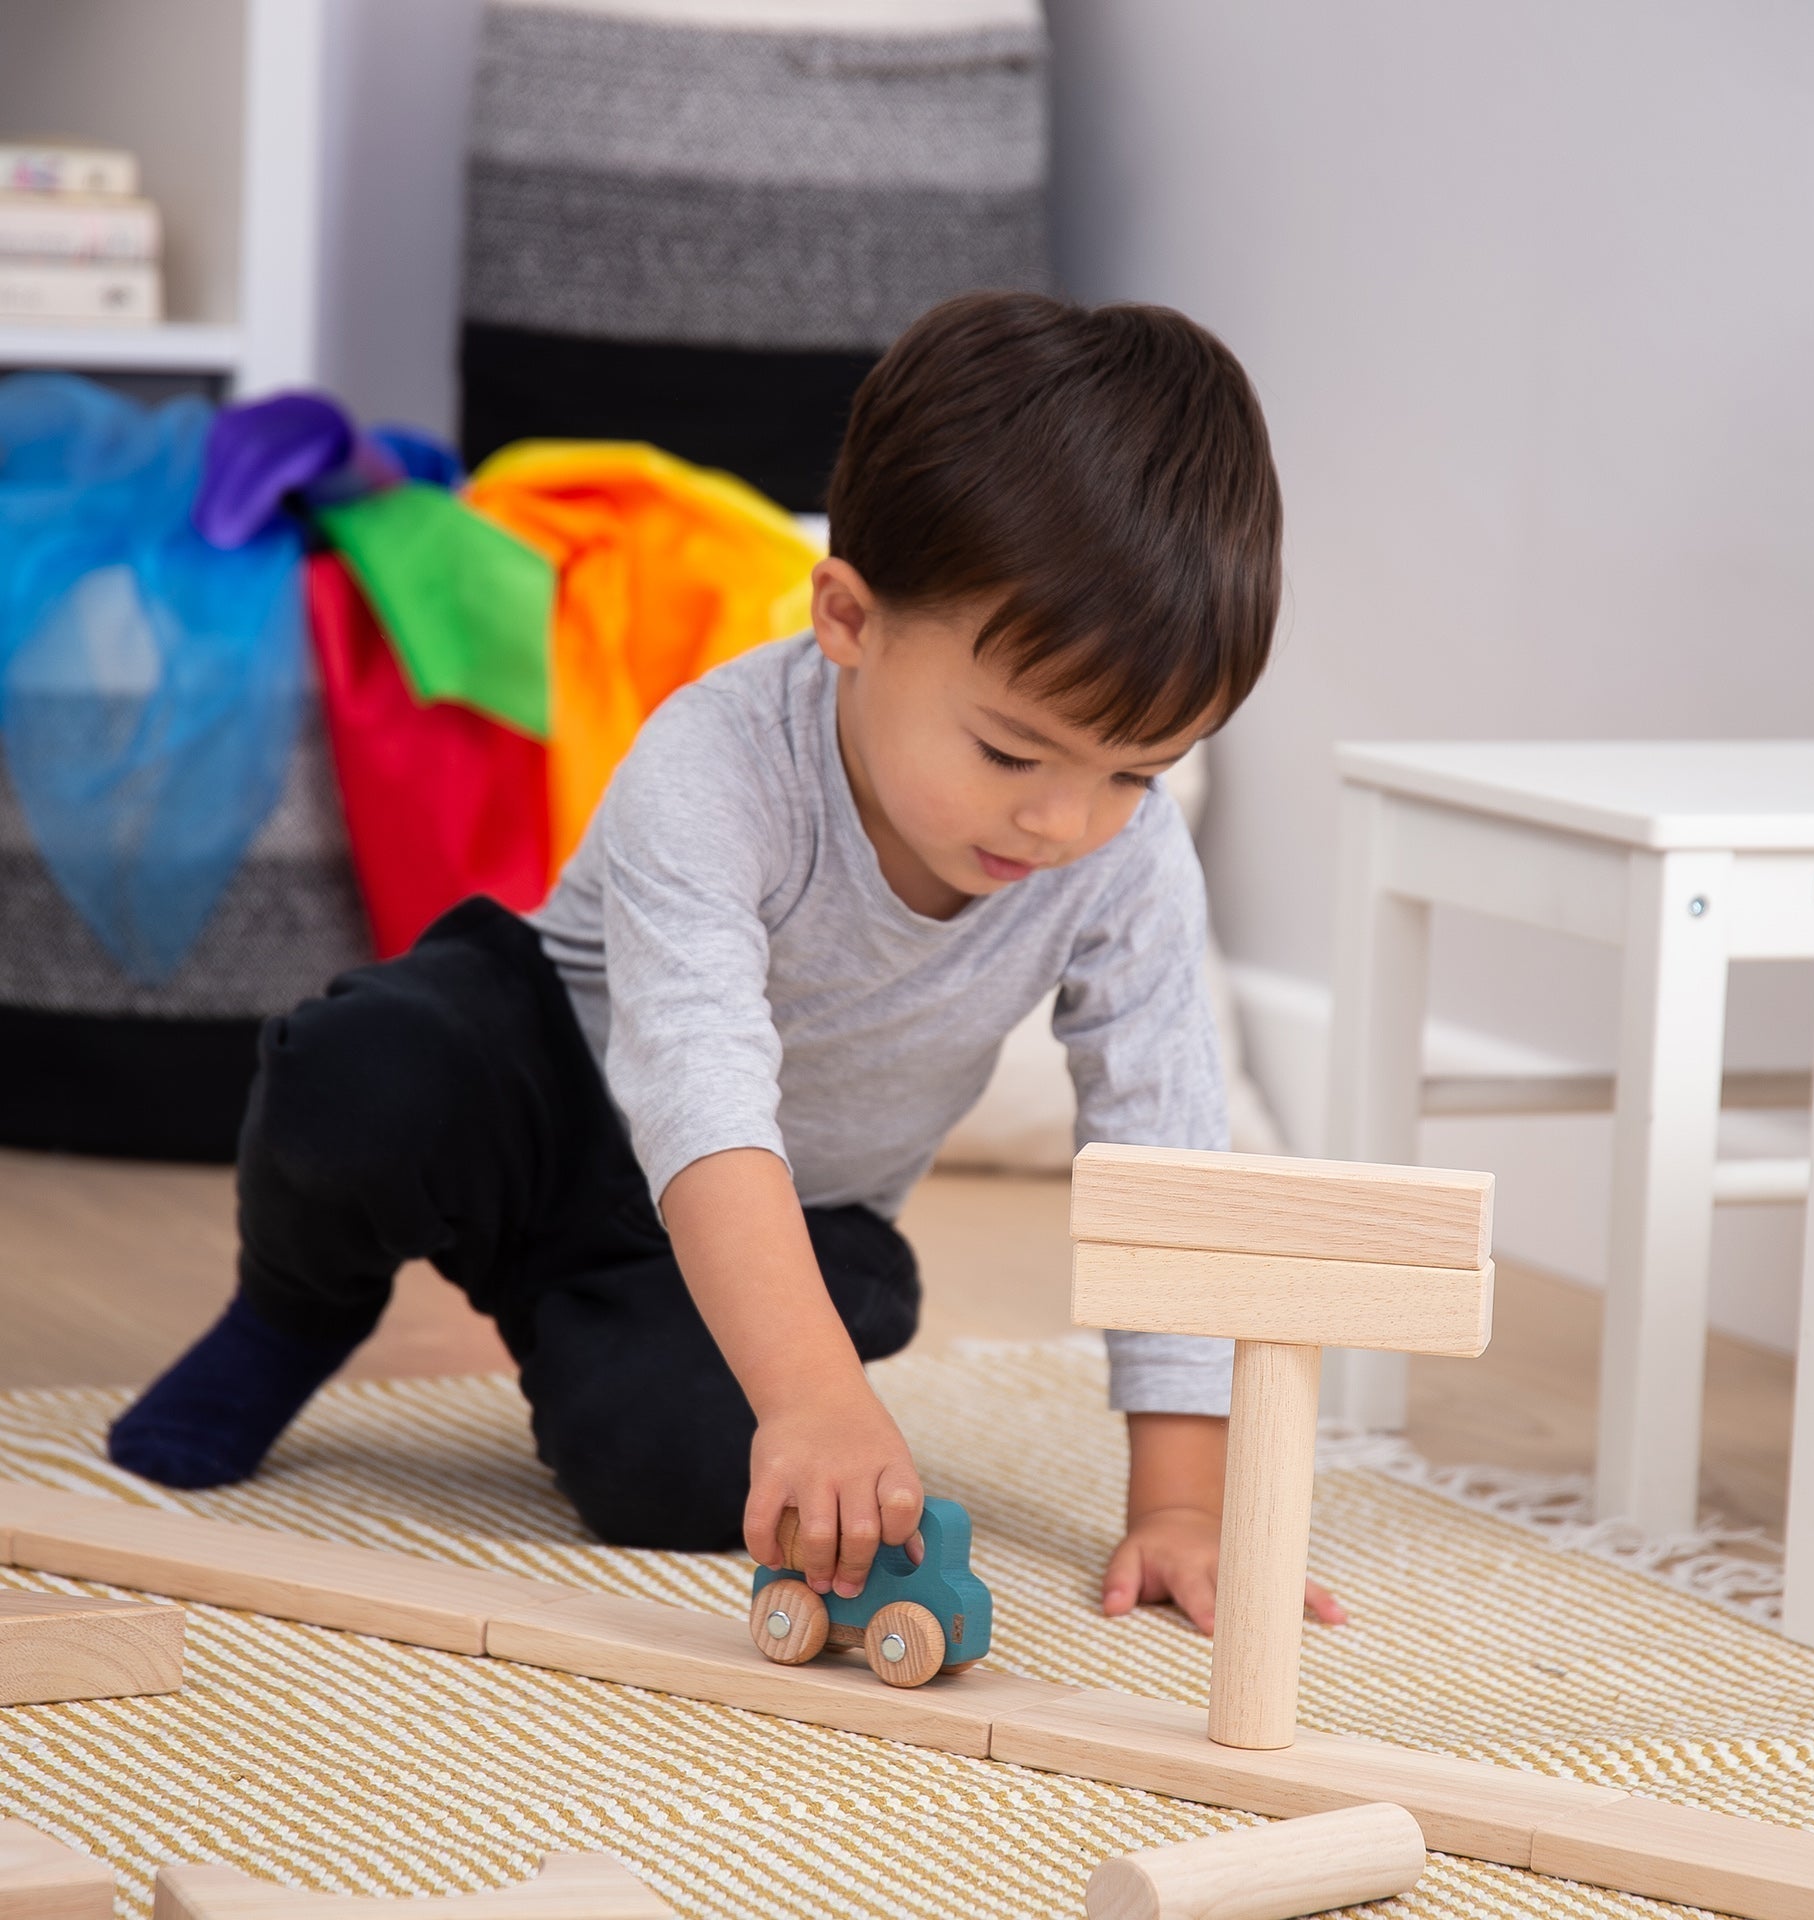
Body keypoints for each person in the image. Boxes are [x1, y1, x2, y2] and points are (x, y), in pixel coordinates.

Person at [108, 291, 1343, 1634]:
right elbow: (697, 1082)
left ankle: (600, 1333)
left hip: (777, 1208)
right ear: (849, 620)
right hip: (547, 1092)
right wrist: (812, 1391)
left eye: (1135, 771)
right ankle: (292, 1312)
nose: (1067, 822)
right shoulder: (717, 761)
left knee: (685, 1473)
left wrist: (1179, 1501)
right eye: (1009, 753)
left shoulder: (1124, 859)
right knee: (355, 1079)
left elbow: (1161, 1152)